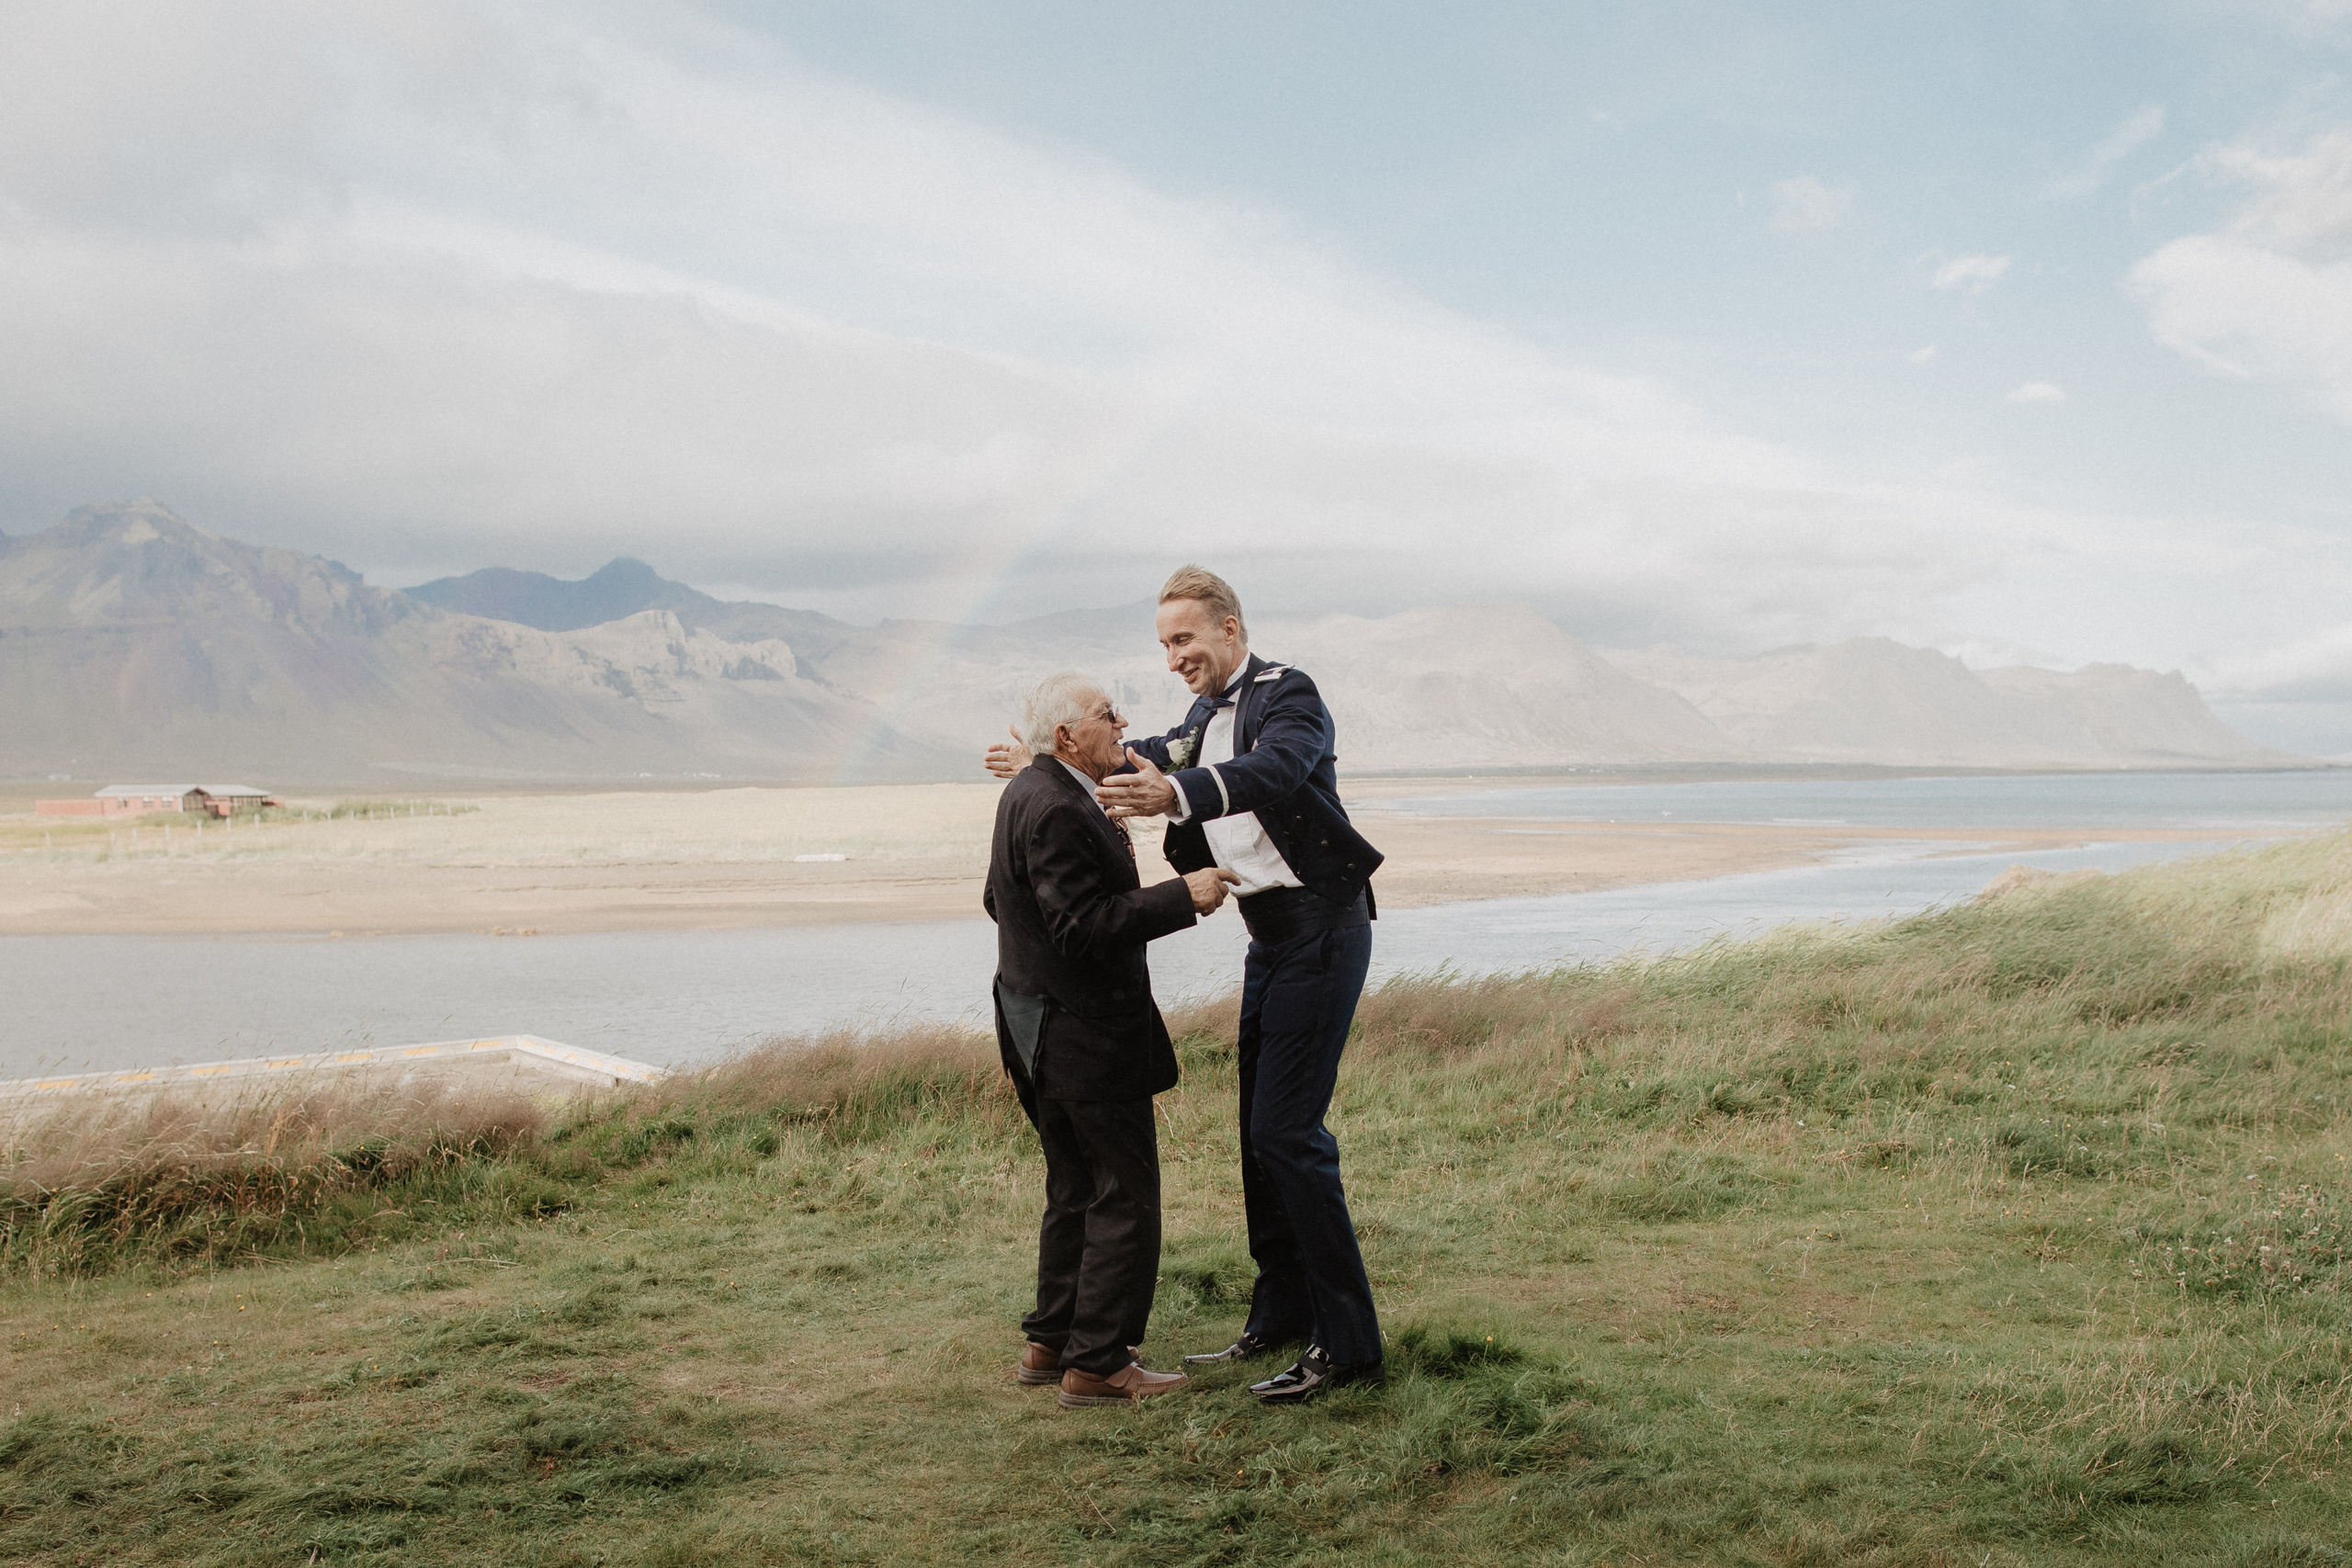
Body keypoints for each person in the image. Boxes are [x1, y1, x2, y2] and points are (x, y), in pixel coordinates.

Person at [986, 567, 1386, 1404]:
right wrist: (1038, 756)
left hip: (1324, 927)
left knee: (1289, 1136)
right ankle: (1276, 1315)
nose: (1174, 659)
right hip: (1267, 938)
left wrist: (1176, 791)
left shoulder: (1290, 697)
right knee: (1256, 1134)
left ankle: (1348, 1344)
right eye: (1165, 644)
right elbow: (1131, 756)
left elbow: (1274, 770)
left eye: (1184, 640)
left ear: (1230, 629)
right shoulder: (1202, 718)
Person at [987, 670, 1240, 1409]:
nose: (1122, 719)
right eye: (1107, 714)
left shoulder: (1028, 793)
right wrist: (1180, 896)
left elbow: (1001, 900)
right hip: (1084, 1034)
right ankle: (1098, 1364)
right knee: (1124, 1194)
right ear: (1068, 736)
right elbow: (1080, 926)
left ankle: (1052, 1339)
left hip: (1035, 1026)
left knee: (1073, 1187)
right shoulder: (1059, 806)